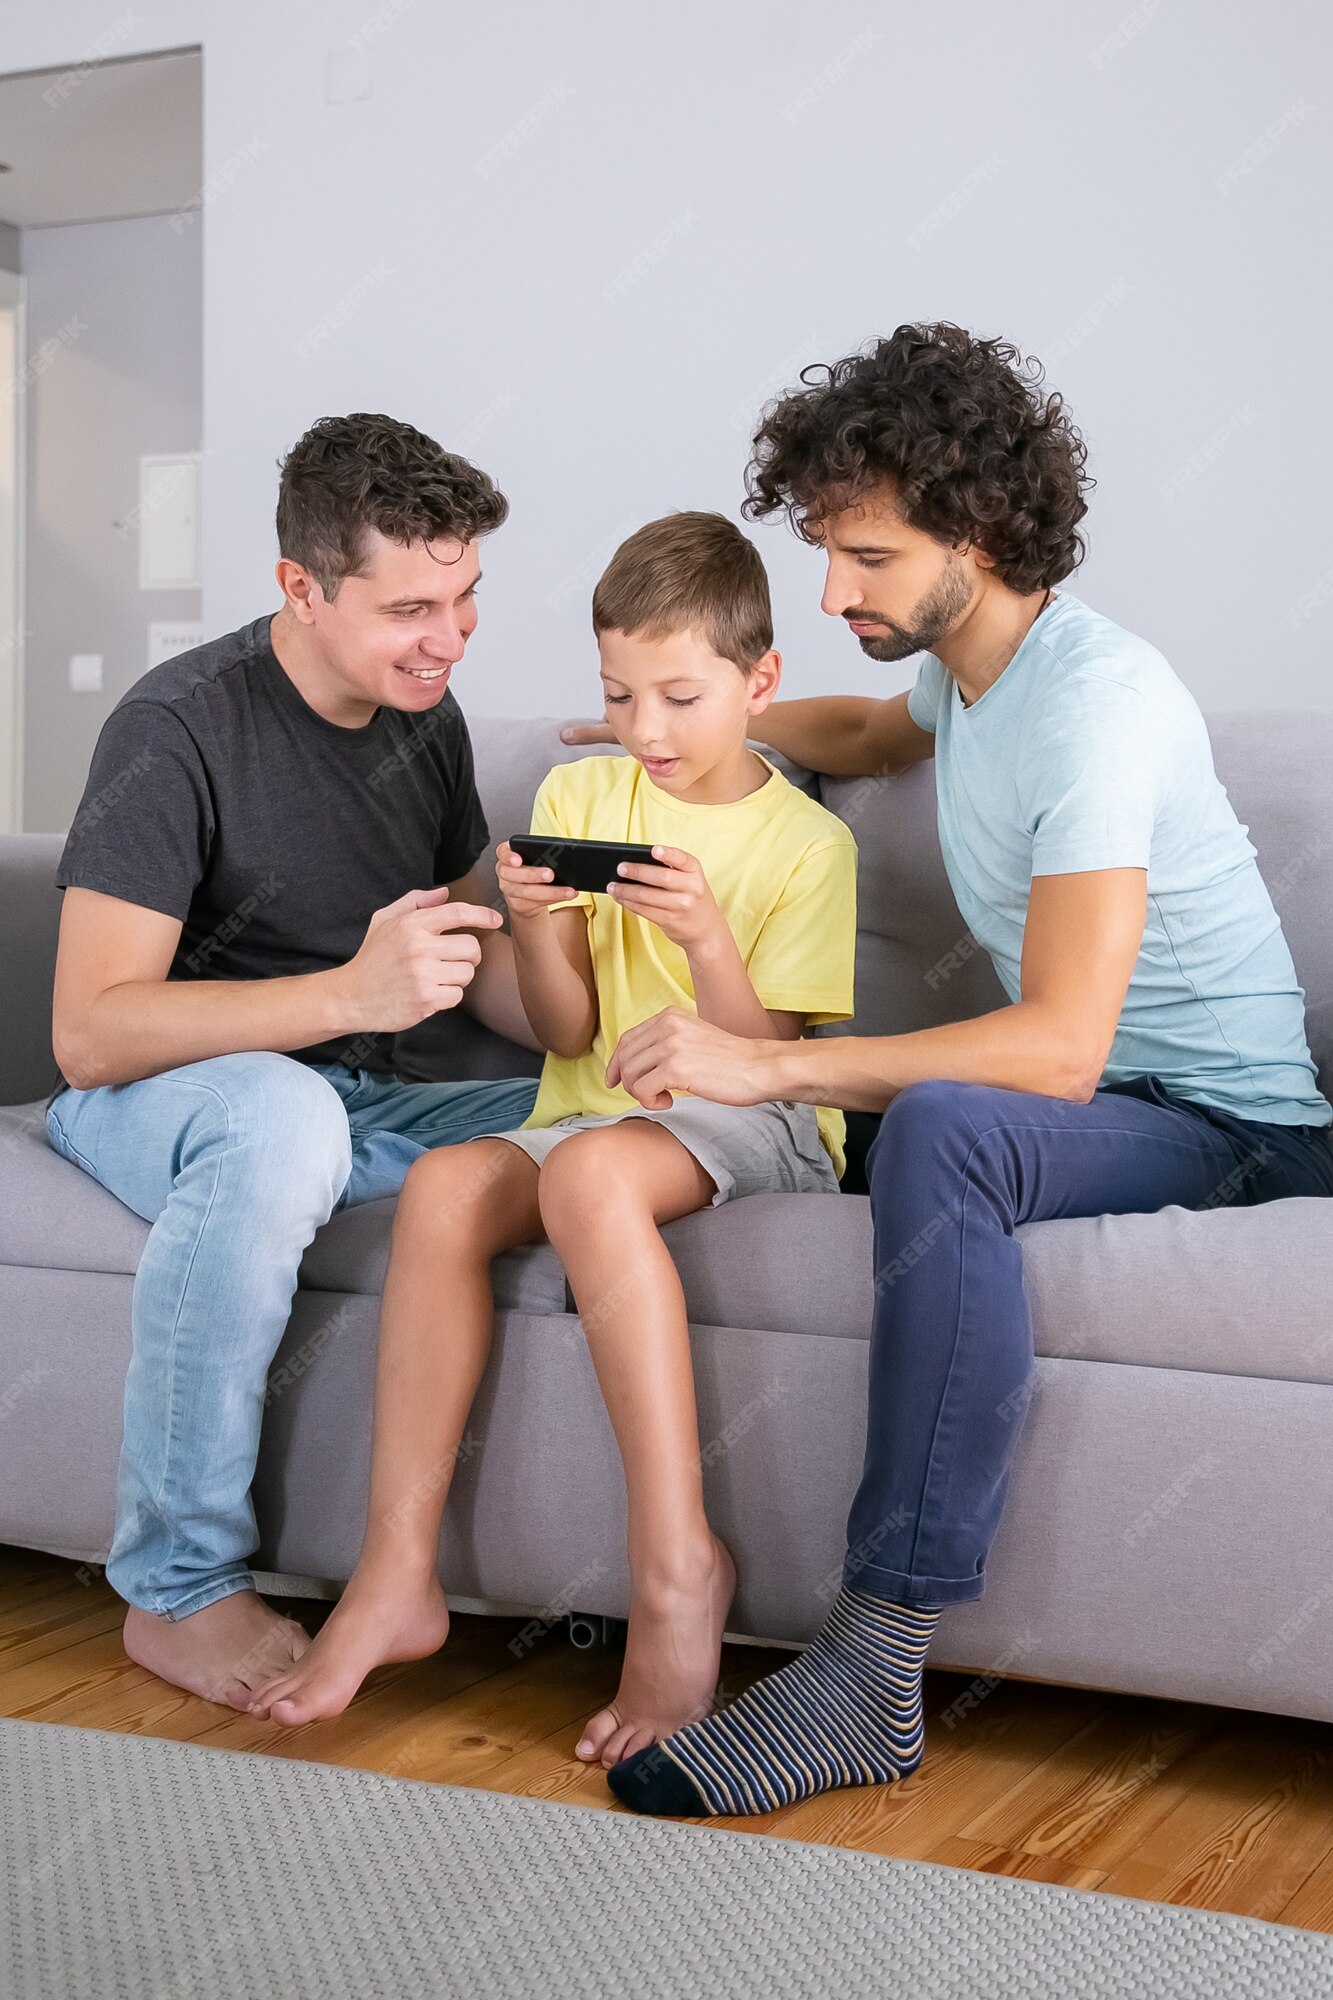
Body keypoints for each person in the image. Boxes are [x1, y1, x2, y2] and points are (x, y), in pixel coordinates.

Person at [551, 324, 1333, 1817]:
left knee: (944, 1134)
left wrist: (771, 1071)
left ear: (973, 536)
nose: (836, 590)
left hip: (1229, 1124)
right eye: (828, 554)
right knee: (933, 1126)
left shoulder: (1096, 707)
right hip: (1124, 1107)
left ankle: (871, 1667)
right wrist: (680, 724)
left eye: (869, 558)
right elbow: (861, 726)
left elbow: (1060, 1048)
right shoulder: (971, 676)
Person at [243, 511, 858, 1763]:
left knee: (587, 1170)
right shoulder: (583, 793)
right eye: (619, 694)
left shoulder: (810, 841)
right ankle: (396, 1568)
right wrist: (535, 925)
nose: (647, 731)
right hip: (590, 1108)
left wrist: (703, 940)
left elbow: (764, 1054)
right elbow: (567, 1030)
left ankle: (678, 1562)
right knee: (444, 1188)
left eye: (680, 697)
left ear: (760, 683)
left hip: (759, 1117)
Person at [47, 413, 544, 1710]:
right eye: (411, 607)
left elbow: (461, 961)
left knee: (613, 1114)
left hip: (354, 1100)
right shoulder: (177, 728)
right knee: (282, 1122)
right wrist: (344, 994)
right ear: (301, 589)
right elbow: (90, 1028)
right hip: (161, 1096)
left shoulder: (422, 725)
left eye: (467, 597)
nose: (450, 636)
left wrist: (559, 954)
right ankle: (175, 1586)